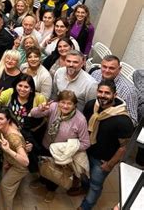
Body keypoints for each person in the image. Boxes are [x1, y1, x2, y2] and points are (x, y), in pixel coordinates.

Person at [78, 80, 134, 210]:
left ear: (115, 95)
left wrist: (110, 164)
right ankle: (83, 189)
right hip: (86, 151)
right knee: (84, 176)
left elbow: (123, 147)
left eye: (107, 93)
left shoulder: (123, 120)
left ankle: (87, 205)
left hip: (102, 160)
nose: (102, 95)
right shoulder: (91, 105)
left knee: (95, 185)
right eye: (100, 91)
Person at [29, 90, 90, 202]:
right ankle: (42, 180)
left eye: (69, 103)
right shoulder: (53, 107)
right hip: (46, 144)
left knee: (55, 172)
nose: (65, 106)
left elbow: (85, 143)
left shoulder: (80, 120)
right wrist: (40, 108)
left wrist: (67, 147)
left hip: (60, 153)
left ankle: (51, 190)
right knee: (43, 165)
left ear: (74, 105)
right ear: (58, 102)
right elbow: (33, 113)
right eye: (62, 102)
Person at [0, 107, 29, 210]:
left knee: (5, 186)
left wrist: (8, 151)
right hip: (10, 161)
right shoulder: (1, 127)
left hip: (20, 167)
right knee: (2, 183)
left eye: (1, 119)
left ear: (8, 120)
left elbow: (26, 162)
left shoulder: (13, 137)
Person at [90, 55, 139, 126]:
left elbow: (132, 121)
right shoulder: (95, 74)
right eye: (104, 67)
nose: (107, 71)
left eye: (111, 68)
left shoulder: (129, 91)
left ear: (119, 69)